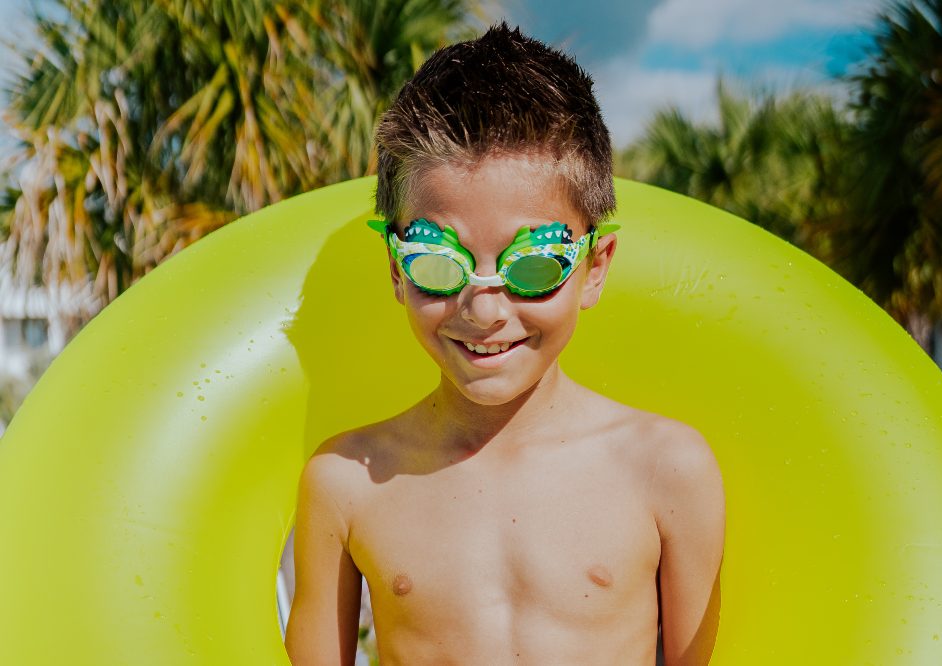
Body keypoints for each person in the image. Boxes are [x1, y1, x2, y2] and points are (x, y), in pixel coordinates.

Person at [283, 22, 725, 666]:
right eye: (436, 261)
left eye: (534, 265)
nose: (484, 310)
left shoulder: (664, 470)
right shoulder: (346, 482)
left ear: (594, 267)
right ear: (395, 270)